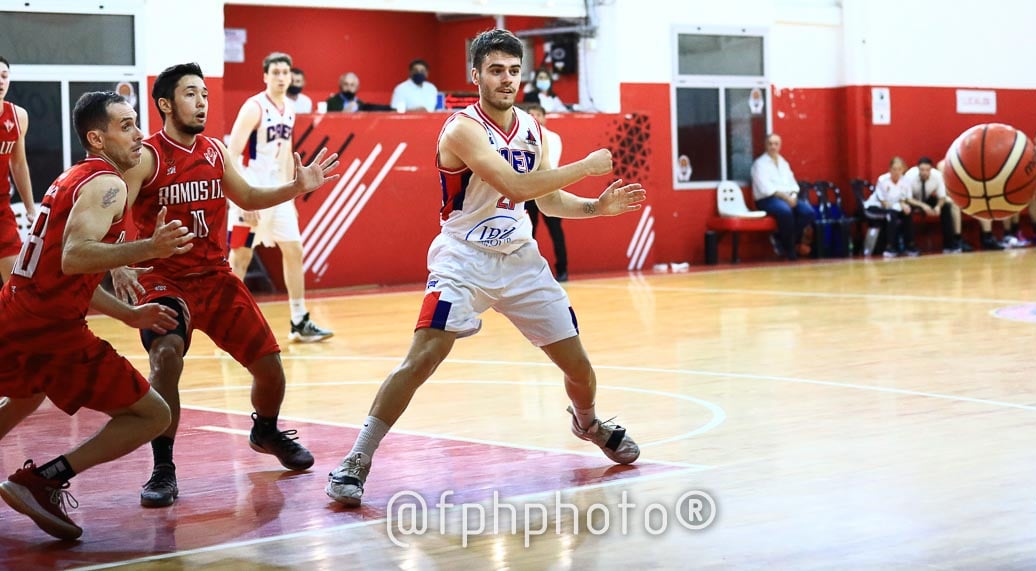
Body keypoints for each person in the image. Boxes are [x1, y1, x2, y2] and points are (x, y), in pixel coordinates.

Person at [325, 29, 647, 507]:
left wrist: (595, 208)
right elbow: (515, 185)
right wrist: (585, 166)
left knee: (579, 367)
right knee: (422, 358)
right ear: (475, 75)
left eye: (514, 71)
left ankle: (589, 424)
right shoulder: (461, 128)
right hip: (464, 258)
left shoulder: (534, 129)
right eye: (496, 70)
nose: (507, 79)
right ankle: (357, 458)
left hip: (520, 259)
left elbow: (545, 200)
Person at [110, 63, 339, 508]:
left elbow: (248, 197)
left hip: (215, 277)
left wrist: (296, 187)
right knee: (166, 356)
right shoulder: (147, 158)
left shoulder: (215, 151)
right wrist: (119, 263)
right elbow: (114, 214)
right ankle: (163, 466)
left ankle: (265, 430)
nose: (201, 103)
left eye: (204, 95)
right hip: (164, 279)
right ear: (164, 104)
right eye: (190, 94)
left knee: (271, 368)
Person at [0, 91, 194, 540]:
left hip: (16, 311)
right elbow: (74, 257)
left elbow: (63, 274)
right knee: (154, 415)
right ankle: (42, 480)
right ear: (97, 138)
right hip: (52, 330)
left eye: (136, 123)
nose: (139, 133)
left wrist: (128, 314)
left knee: (26, 395)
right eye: (125, 126)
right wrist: (150, 247)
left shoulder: (73, 177)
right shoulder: (108, 185)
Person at [227, 52, 334, 342]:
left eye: (285, 72)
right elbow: (231, 154)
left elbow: (286, 153)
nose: (281, 77)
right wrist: (239, 199)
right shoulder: (253, 107)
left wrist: (292, 194)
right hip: (250, 192)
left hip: (278, 193)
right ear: (265, 76)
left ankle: (299, 321)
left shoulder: (289, 108)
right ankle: (229, 324)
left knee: (294, 250)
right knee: (240, 257)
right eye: (275, 72)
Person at [0, 56, 38, 282]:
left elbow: (19, 163)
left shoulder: (18, 116)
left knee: (16, 284)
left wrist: (30, 208)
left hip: (2, 208)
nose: (0, 81)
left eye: (4, 76)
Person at [750, 133, 816, 260]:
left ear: (780, 146)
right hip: (767, 199)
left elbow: (793, 184)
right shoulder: (759, 164)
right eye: (770, 144)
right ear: (765, 145)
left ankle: (780, 238)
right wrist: (787, 199)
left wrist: (793, 196)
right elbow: (766, 189)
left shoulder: (783, 163)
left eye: (776, 144)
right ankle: (790, 250)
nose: (773, 147)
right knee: (785, 211)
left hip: (788, 197)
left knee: (808, 212)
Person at [523, 104, 568, 281]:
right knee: (527, 232)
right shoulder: (522, 137)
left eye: (537, 114)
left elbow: (551, 165)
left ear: (544, 118)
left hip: (549, 189)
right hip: (529, 190)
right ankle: (527, 272)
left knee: (556, 231)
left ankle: (562, 270)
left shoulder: (553, 138)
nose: (534, 117)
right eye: (530, 114)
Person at [903, 157, 966, 252]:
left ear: (931, 169)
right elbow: (907, 198)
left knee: (946, 206)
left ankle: (949, 244)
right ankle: (910, 246)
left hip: (927, 198)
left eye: (927, 170)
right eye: (922, 170)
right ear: (918, 168)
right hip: (913, 200)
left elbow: (942, 197)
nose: (924, 172)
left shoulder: (937, 176)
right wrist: (923, 206)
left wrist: (938, 207)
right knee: (907, 210)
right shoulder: (910, 176)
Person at [866, 156, 918, 257]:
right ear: (889, 169)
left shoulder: (906, 181)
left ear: (903, 170)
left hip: (895, 207)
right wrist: (899, 206)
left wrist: (904, 206)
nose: (896, 172)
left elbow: (905, 198)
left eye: (899, 169)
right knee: (891, 215)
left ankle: (910, 246)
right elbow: (884, 202)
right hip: (876, 207)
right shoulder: (882, 180)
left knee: (908, 213)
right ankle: (890, 247)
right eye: (894, 169)